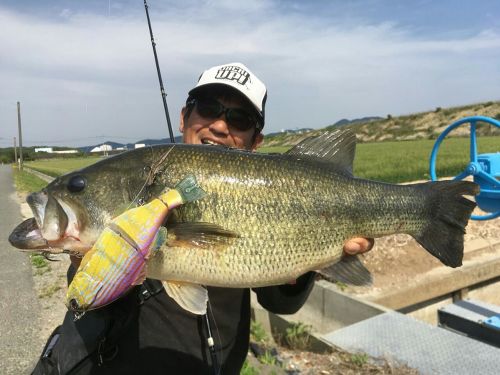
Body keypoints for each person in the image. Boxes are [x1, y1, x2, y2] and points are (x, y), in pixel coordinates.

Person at [32, 62, 373, 375]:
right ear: (184, 117)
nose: (221, 125)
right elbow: (88, 298)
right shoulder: (144, 181)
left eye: (240, 119)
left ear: (256, 142)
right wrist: (88, 260)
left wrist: (317, 255)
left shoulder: (266, 192)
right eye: (209, 108)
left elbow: (280, 303)